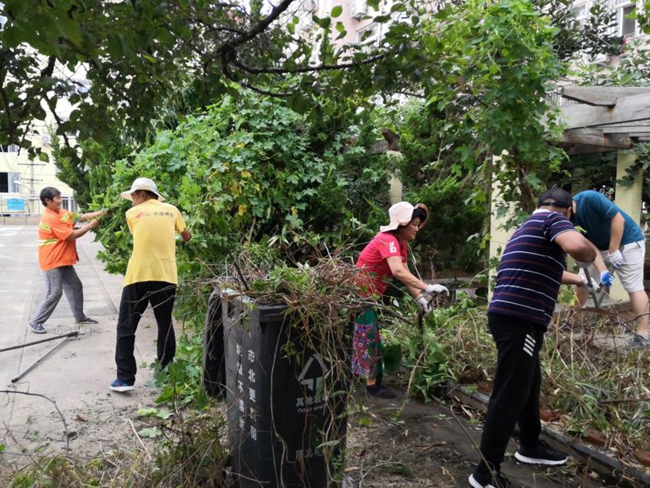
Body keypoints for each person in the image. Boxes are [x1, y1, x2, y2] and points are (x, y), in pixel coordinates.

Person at [469, 188, 599, 488]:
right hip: (521, 321)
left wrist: (580, 278)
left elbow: (547, 268)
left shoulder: (526, 228)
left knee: (529, 382)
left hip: (508, 315)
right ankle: (485, 472)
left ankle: (530, 444)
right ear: (567, 211)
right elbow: (579, 247)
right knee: (510, 392)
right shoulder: (554, 221)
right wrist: (595, 254)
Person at [353, 201, 449, 399]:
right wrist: (428, 287)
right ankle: (370, 385)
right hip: (358, 296)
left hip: (369, 297)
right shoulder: (386, 240)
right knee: (367, 336)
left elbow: (404, 272)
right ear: (402, 223)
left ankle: (370, 381)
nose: (417, 228)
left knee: (370, 335)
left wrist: (420, 297)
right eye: (414, 224)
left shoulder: (399, 244)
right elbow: (397, 271)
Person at [109, 177, 191, 392]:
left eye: (133, 196)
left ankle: (125, 379)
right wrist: (183, 235)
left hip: (138, 275)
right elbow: (187, 236)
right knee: (164, 324)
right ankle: (166, 373)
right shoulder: (173, 210)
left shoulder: (131, 215)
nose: (132, 201)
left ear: (143, 194)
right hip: (166, 275)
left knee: (127, 326)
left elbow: (141, 236)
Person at [571, 189, 649, 349]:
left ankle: (643, 335)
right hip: (598, 247)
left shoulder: (590, 198)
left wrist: (613, 250)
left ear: (568, 206)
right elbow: (588, 244)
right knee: (583, 282)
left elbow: (618, 220)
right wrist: (602, 271)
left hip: (627, 240)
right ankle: (572, 322)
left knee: (633, 286)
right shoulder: (562, 219)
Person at [28, 187, 104, 334]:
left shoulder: (61, 212)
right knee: (54, 292)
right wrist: (90, 226)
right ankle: (35, 321)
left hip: (63, 258)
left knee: (76, 286)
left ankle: (80, 317)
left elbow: (80, 217)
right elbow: (70, 236)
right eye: (57, 198)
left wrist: (102, 213)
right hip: (52, 260)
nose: (60, 200)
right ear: (47, 201)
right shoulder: (49, 217)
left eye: (60, 197)